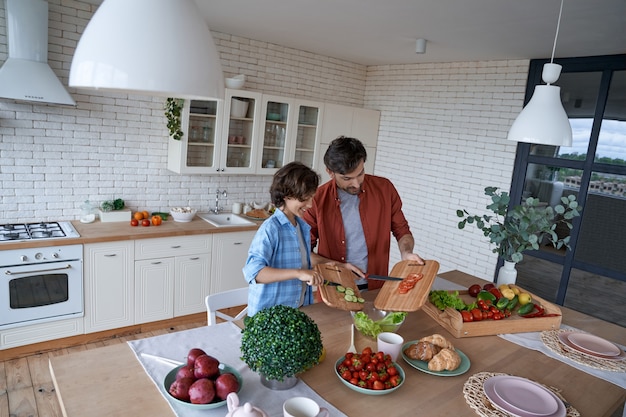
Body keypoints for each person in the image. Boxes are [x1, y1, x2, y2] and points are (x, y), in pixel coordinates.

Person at [302, 136, 424, 290]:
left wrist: (406, 252)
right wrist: (338, 266)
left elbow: (402, 230)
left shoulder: (384, 189)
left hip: (376, 286)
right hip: (334, 286)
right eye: (347, 178)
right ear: (330, 172)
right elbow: (304, 251)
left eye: (360, 174)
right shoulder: (317, 199)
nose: (356, 183)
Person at [243, 161, 324, 315]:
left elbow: (302, 263)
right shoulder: (270, 228)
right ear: (287, 195)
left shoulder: (302, 227)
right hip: (270, 319)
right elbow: (254, 273)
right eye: (305, 199)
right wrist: (299, 273)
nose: (310, 205)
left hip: (296, 313)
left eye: (312, 198)